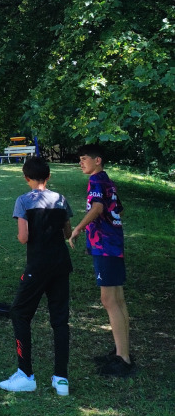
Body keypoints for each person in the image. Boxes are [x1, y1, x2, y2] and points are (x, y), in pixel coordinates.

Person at [0, 157, 74, 396]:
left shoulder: (23, 201)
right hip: (61, 265)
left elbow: (23, 238)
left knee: (19, 313)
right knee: (60, 320)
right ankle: (61, 379)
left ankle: (25, 374)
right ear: (48, 176)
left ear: (26, 178)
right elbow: (68, 232)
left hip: (38, 266)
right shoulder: (61, 199)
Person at [69, 144, 135, 377]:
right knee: (118, 299)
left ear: (97, 160)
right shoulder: (107, 181)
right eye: (79, 159)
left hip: (105, 247)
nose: (81, 163)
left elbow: (97, 207)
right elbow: (119, 210)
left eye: (84, 158)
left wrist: (78, 228)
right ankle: (121, 352)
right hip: (113, 244)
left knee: (108, 300)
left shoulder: (96, 181)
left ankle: (123, 359)